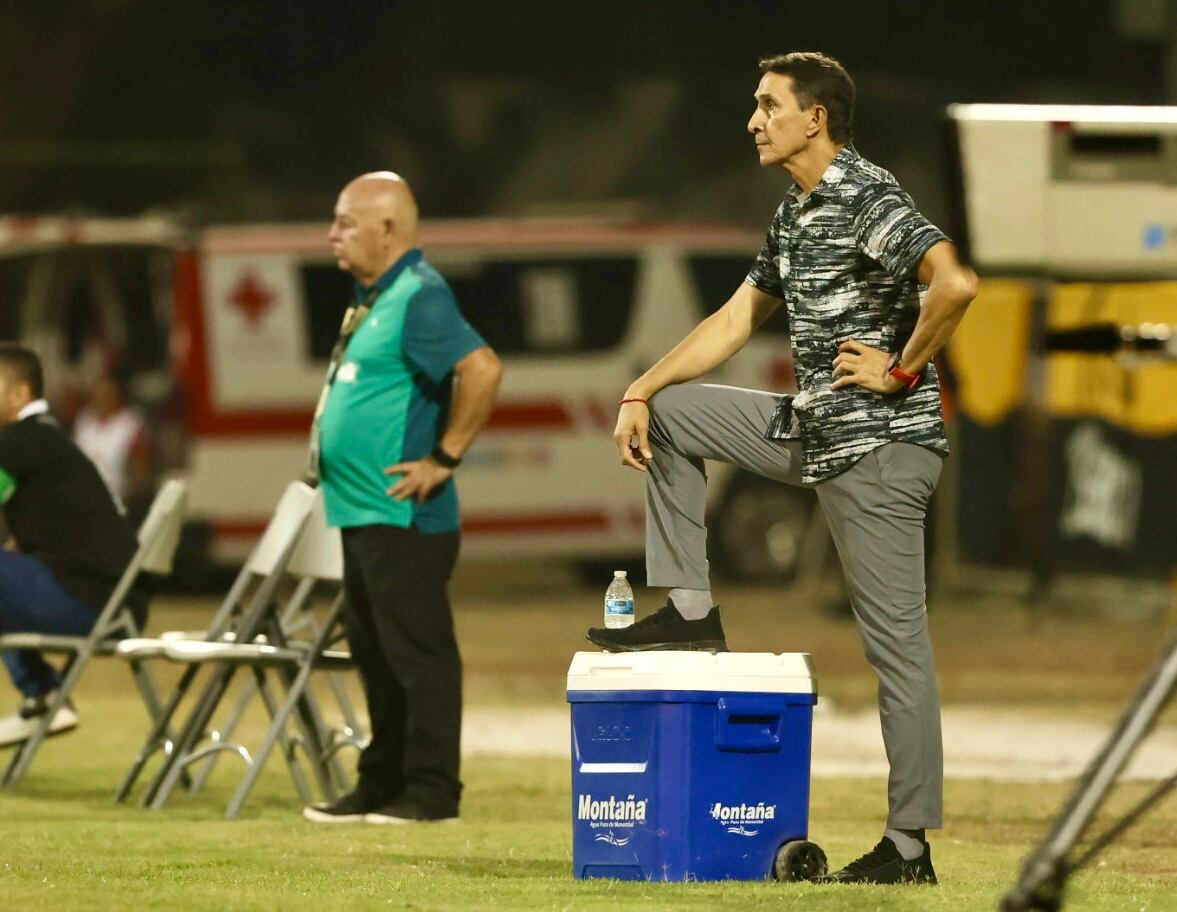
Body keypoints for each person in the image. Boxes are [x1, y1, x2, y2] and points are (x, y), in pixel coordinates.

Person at [585, 52, 977, 884]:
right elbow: (734, 320)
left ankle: (909, 849)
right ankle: (692, 609)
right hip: (816, 429)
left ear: (816, 118)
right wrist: (641, 388)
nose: (754, 121)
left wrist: (901, 369)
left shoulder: (867, 195)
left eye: (768, 106)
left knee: (897, 652)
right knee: (675, 415)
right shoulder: (795, 211)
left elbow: (955, 283)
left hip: (879, 448)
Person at [303, 172, 502, 825]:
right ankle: (381, 782)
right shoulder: (377, 297)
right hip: (364, 512)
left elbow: (482, 369)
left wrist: (445, 458)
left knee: (418, 657)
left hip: (405, 515)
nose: (332, 235)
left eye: (345, 222)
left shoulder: (419, 294)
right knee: (376, 656)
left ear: (387, 229)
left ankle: (432, 793)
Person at [0, 344, 143, 746]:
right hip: (115, 603)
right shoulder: (43, 438)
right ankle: (43, 697)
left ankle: (42, 693)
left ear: (20, 394)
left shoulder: (20, 441)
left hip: (95, 603)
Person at [73, 364, 152, 510]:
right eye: (99, 391)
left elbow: (141, 471)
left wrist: (131, 499)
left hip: (119, 502)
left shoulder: (131, 423)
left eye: (108, 392)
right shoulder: (84, 421)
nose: (102, 397)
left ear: (118, 393)